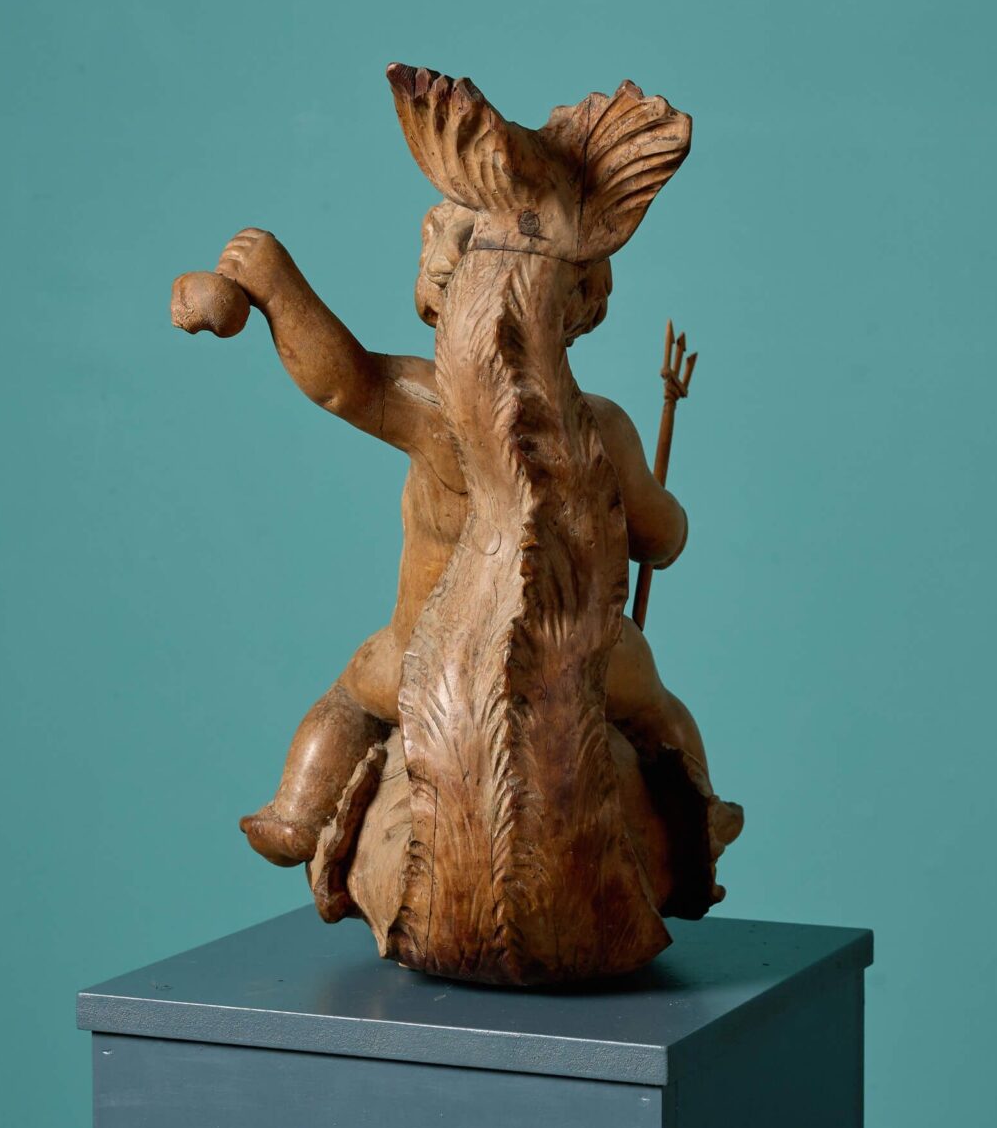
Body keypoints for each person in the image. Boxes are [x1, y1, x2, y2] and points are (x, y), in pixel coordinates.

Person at [211, 204, 714, 870]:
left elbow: (341, 383)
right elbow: (657, 537)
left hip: (425, 660)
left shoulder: (428, 405)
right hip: (577, 662)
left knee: (353, 696)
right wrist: (673, 523)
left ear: (439, 294)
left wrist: (276, 285)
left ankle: (298, 812)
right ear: (583, 306)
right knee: (652, 705)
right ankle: (704, 812)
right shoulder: (604, 427)